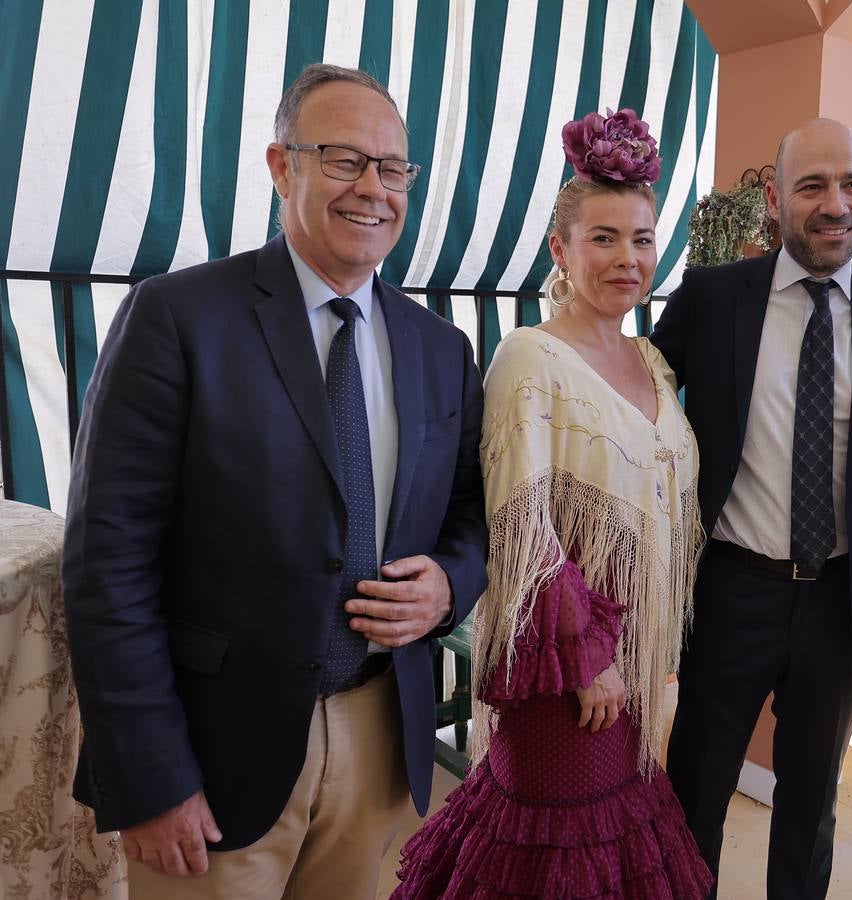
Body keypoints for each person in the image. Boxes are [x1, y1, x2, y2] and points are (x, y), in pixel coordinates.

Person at [61, 64, 489, 899]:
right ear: (280, 166)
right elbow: (106, 564)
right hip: (213, 757)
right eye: (342, 159)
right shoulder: (177, 318)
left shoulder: (442, 349)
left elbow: (470, 515)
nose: (374, 188)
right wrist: (148, 775)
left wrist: (448, 584)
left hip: (380, 739)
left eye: (393, 168)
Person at [393, 109, 712, 899]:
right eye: (603, 238)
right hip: (564, 669)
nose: (627, 258)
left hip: (634, 663)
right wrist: (587, 658)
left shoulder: (648, 358)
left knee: (616, 831)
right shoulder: (530, 356)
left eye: (640, 239)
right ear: (559, 250)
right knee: (558, 844)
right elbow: (518, 525)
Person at [652, 118, 852, 898]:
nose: (835, 204)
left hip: (841, 602)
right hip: (728, 591)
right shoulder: (712, 300)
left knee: (811, 804)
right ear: (775, 199)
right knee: (694, 793)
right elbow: (633, 392)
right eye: (812, 185)